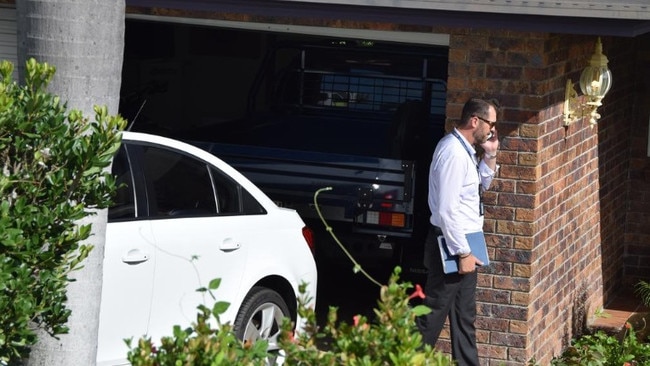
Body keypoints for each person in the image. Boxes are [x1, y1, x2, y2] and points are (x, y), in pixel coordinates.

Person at [417, 97, 500, 365]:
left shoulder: (465, 150)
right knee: (432, 314)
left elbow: (479, 188)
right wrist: (462, 251)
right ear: (475, 121)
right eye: (491, 124)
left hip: (467, 243)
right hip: (452, 246)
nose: (492, 130)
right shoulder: (453, 152)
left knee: (465, 317)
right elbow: (446, 210)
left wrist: (490, 154)